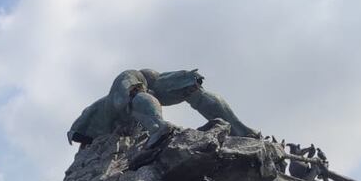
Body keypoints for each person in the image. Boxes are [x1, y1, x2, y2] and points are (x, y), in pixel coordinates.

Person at [67, 68, 258, 147]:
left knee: (191, 86)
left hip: (140, 102)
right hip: (94, 131)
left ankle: (240, 129)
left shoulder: (156, 82)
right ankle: (159, 128)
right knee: (133, 94)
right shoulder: (130, 80)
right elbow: (122, 99)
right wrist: (157, 127)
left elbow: (189, 87)